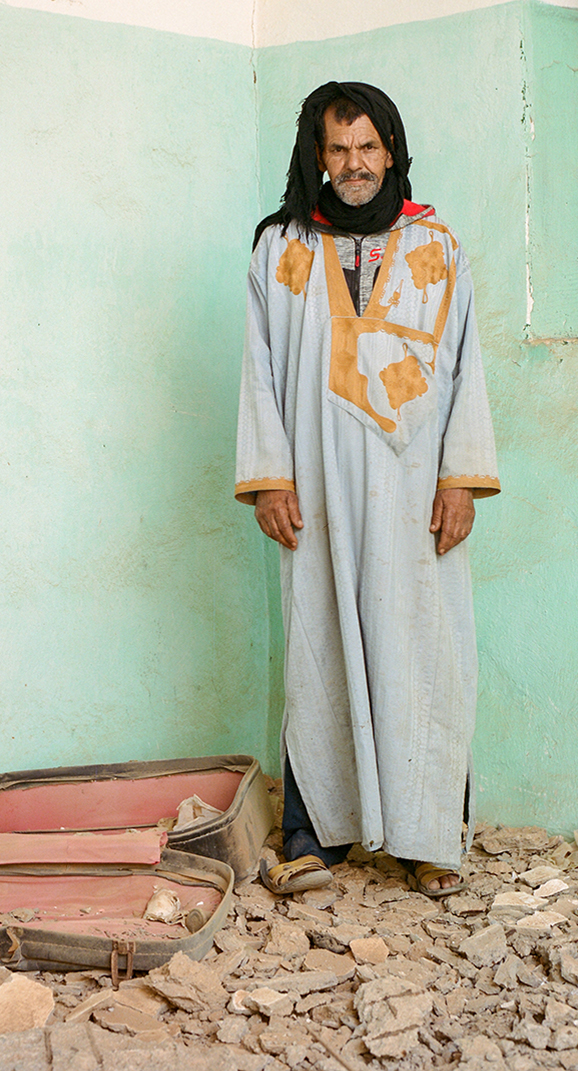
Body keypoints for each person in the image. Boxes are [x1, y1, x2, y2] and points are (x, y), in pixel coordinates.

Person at [235, 82, 499, 897]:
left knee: (426, 647)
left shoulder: (437, 246)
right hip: (312, 486)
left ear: (392, 152)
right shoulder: (281, 248)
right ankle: (315, 836)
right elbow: (260, 369)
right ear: (318, 158)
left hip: (415, 486)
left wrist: (460, 479)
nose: (354, 165)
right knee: (318, 643)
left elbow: (465, 367)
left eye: (368, 148)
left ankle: (427, 838)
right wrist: (270, 476)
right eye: (338, 150)